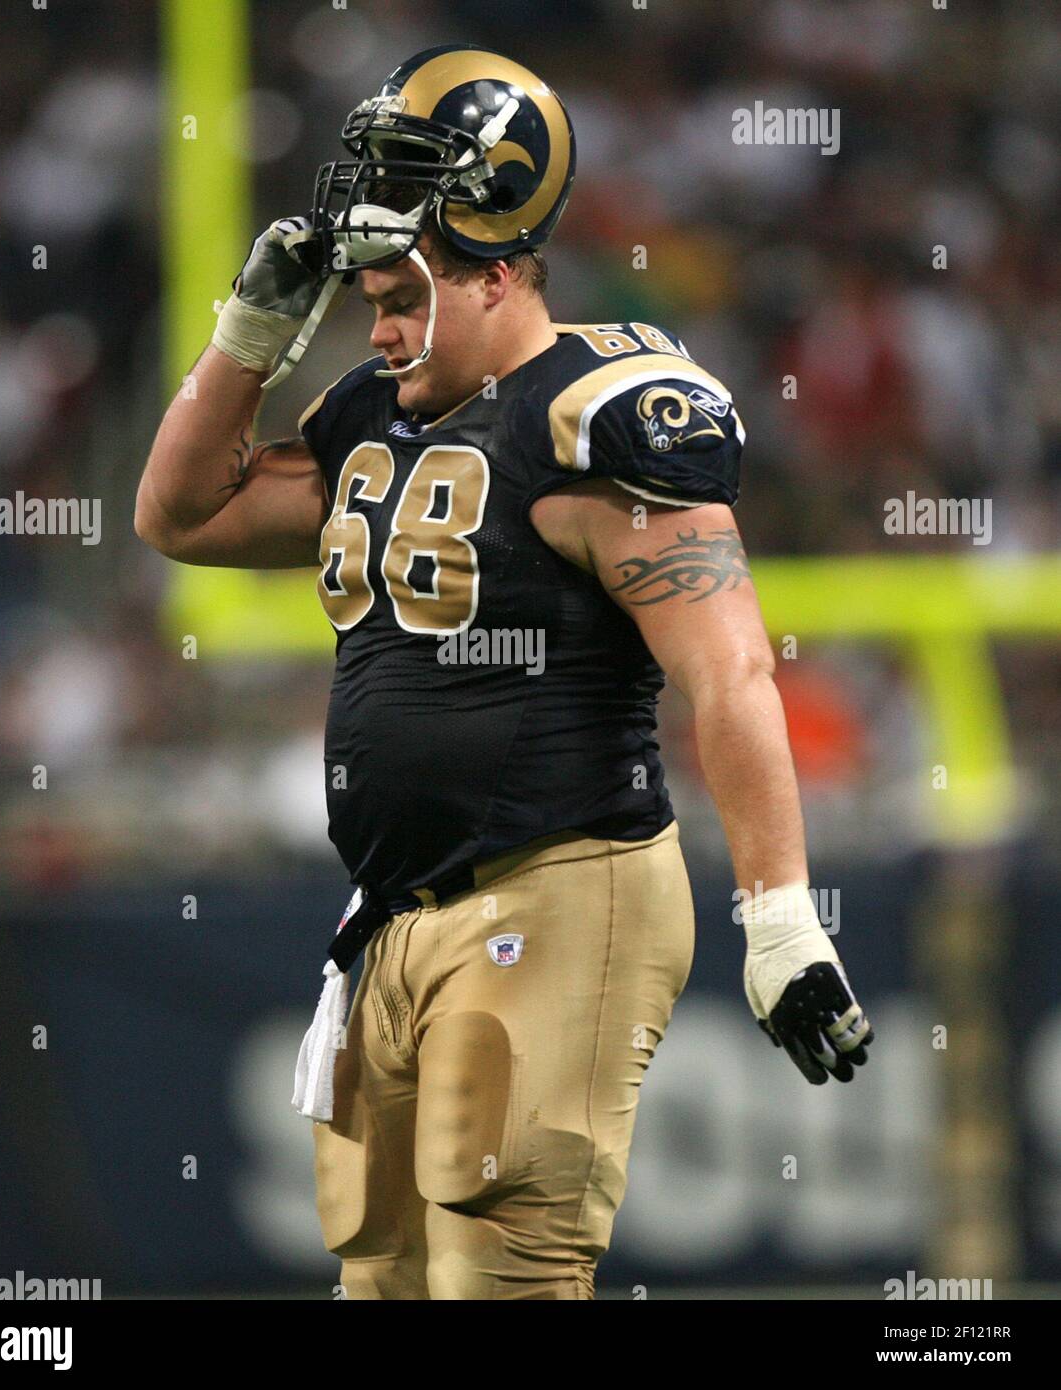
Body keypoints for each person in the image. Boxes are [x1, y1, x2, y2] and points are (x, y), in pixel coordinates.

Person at [135, 44, 873, 1301]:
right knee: (385, 1274)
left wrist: (782, 916)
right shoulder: (374, 411)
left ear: (494, 262)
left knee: (505, 1271)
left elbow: (733, 672)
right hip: (393, 910)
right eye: (367, 302)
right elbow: (178, 514)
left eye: (398, 297)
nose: (375, 329)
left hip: (557, 882)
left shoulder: (599, 414)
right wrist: (251, 333)